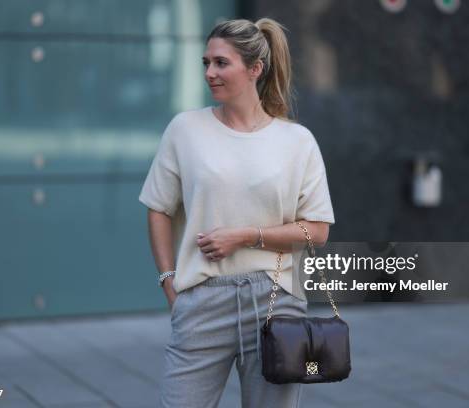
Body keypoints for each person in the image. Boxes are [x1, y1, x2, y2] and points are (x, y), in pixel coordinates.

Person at [139, 17, 335, 408]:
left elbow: (317, 230)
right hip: (202, 300)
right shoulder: (185, 129)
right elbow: (158, 207)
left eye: (221, 63)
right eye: (206, 63)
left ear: (255, 69)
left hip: (275, 303)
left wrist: (246, 235)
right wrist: (169, 283)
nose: (210, 73)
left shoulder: (297, 141)